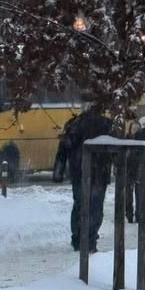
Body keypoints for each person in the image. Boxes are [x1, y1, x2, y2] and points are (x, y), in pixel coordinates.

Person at [54, 104, 116, 252]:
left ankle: (78, 237)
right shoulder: (106, 124)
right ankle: (90, 238)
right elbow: (115, 150)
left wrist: (59, 171)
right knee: (95, 207)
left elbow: (63, 148)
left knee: (80, 204)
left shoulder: (74, 124)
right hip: (99, 173)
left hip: (79, 172)